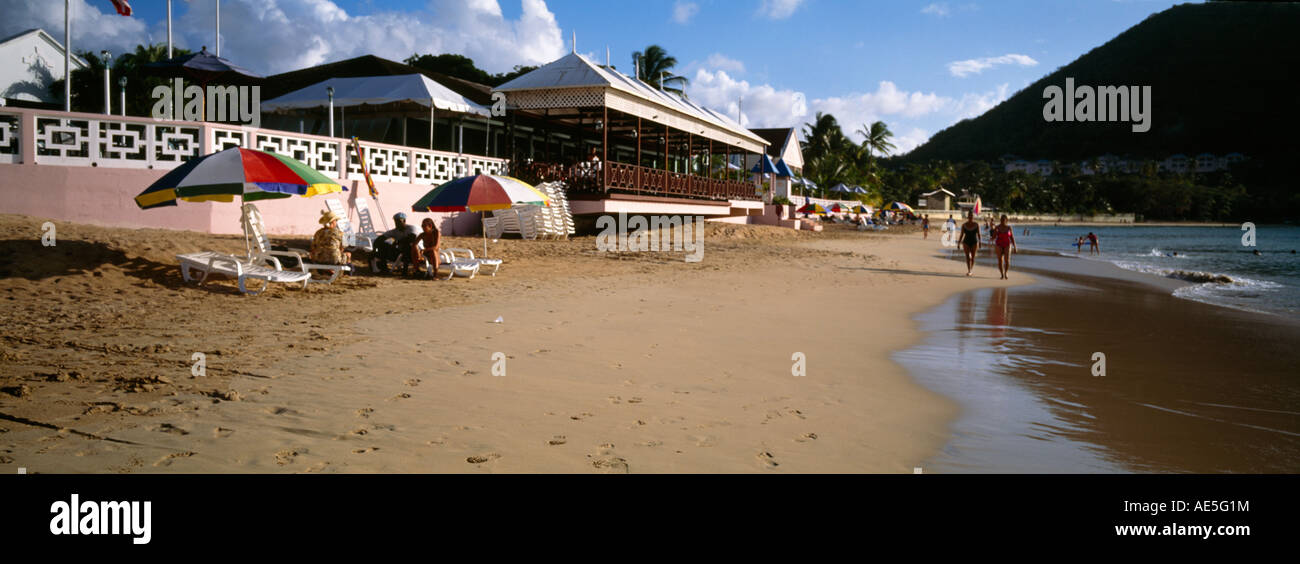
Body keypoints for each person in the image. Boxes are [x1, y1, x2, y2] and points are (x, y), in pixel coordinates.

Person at [310, 210, 352, 274]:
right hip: (334, 260)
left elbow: (313, 247)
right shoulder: (339, 233)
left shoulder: (318, 232)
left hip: (319, 259)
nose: (336, 222)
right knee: (348, 254)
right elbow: (344, 247)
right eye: (336, 220)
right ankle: (344, 271)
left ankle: (326, 270)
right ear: (332, 222)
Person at [991, 214, 1017, 280]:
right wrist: (995, 232)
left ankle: (1006, 272)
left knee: (1007, 260)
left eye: (1003, 220)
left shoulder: (1009, 228)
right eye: (1001, 220)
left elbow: (1012, 237)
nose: (1002, 221)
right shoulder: (997, 227)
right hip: (999, 244)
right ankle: (1002, 274)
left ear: (1006, 220)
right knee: (1000, 260)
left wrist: (1015, 246)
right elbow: (993, 237)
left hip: (1007, 244)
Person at [960, 210, 981, 276]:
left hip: (974, 242)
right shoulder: (964, 225)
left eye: (971, 216)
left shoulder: (976, 224)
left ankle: (971, 269)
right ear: (968, 216)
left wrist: (980, 242)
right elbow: (961, 234)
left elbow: (979, 234)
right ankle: (969, 270)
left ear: (973, 216)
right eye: (969, 215)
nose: (970, 217)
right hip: (966, 242)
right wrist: (958, 243)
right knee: (967, 256)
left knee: (973, 257)